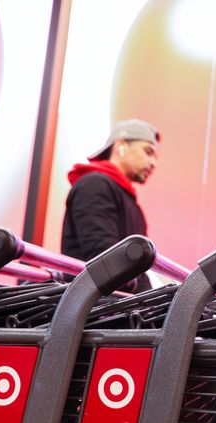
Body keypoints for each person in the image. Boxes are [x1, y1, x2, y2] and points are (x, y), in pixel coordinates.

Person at [61, 118, 160, 293]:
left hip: (119, 307)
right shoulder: (94, 184)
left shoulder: (130, 202)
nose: (153, 163)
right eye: (148, 152)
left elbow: (139, 268)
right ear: (121, 146)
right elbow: (104, 258)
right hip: (93, 311)